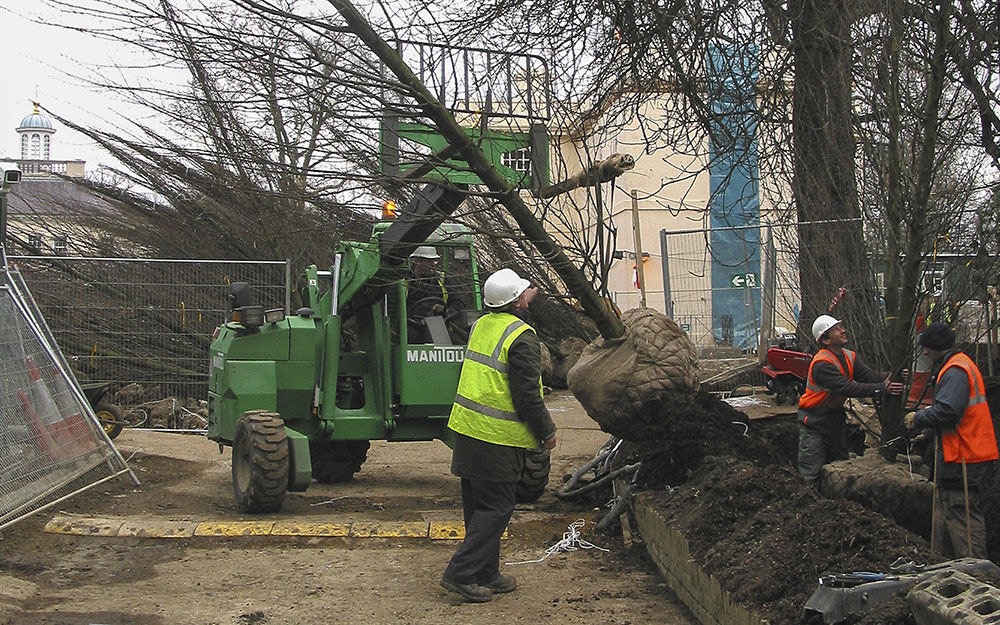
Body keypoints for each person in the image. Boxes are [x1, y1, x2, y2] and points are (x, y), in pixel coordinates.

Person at [440, 268, 557, 603]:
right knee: (498, 508)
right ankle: (460, 574)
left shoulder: (481, 325)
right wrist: (546, 431)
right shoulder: (522, 336)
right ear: (517, 302)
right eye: (523, 294)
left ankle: (486, 572)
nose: (527, 296)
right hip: (496, 437)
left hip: (468, 431)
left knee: (479, 508)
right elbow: (526, 396)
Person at [904, 322, 998, 558]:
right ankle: (942, 565)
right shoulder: (956, 366)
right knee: (945, 516)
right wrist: (928, 436)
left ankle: (976, 572)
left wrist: (919, 418)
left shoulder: (955, 371)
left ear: (935, 347)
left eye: (927, 347)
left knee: (962, 516)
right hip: (956, 455)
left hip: (963, 457)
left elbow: (948, 411)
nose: (925, 352)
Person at [797, 314, 904, 486]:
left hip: (835, 418)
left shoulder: (849, 357)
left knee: (840, 465)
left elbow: (869, 376)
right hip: (815, 422)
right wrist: (882, 387)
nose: (843, 331)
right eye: (836, 329)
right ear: (825, 340)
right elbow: (848, 387)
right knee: (811, 470)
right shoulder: (822, 364)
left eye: (841, 327)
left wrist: (892, 377)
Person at [406, 246, 462, 343]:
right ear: (416, 262)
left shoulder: (443, 280)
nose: (433, 265)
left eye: (434, 261)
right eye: (428, 261)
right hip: (411, 326)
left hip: (439, 325)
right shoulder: (404, 281)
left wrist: (447, 313)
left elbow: (458, 303)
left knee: (457, 341)